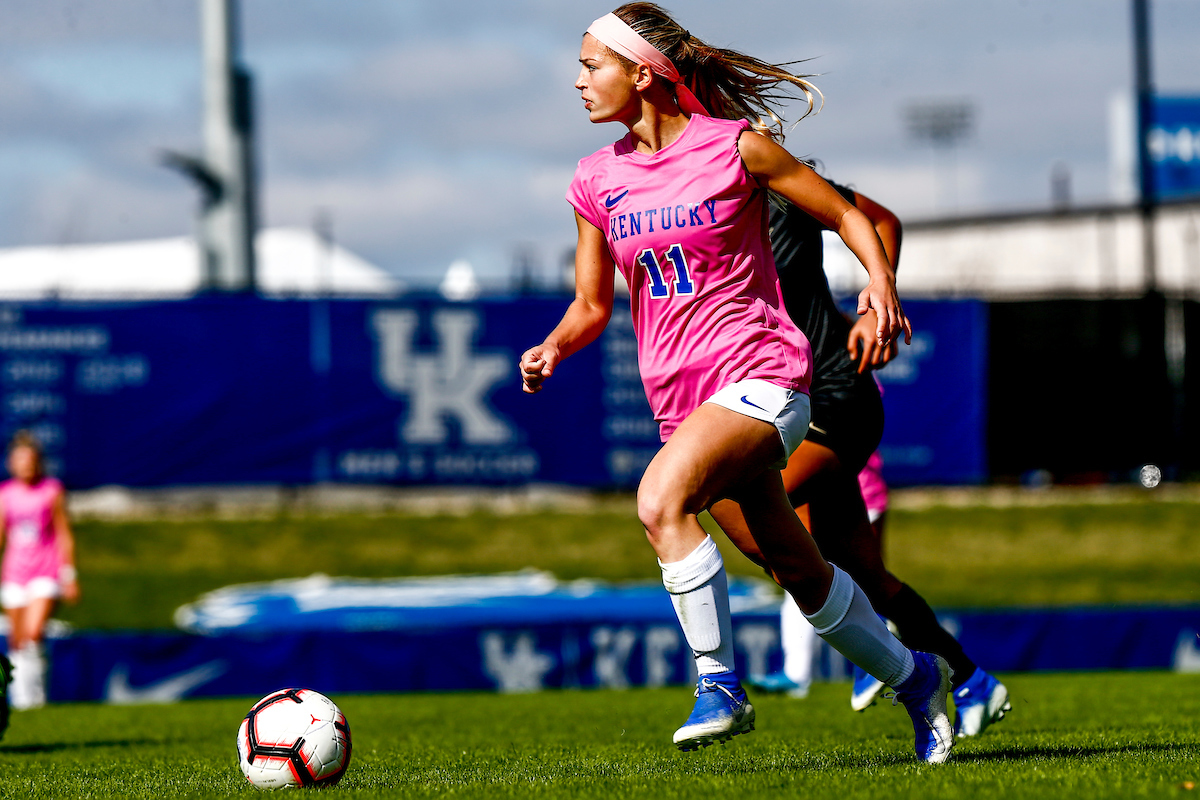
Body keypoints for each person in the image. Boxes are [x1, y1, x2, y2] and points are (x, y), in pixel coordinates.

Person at [521, 3, 953, 763]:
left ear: (643, 73)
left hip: (765, 380)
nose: (579, 82)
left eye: (592, 65)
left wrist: (880, 284)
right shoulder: (595, 179)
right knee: (802, 573)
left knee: (660, 500)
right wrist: (554, 345)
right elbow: (591, 305)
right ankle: (915, 676)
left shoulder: (735, 148)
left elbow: (850, 217)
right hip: (683, 407)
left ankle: (719, 681)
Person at [720, 185, 1010, 737]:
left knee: (742, 507)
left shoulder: (778, 181)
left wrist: (879, 304)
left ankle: (890, 666)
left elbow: (881, 219)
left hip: (834, 398)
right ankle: (972, 682)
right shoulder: (691, 204)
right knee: (865, 576)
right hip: (787, 402)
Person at [0, 432, 79, 710]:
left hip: (45, 571)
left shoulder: (51, 490)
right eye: (20, 461)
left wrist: (69, 575)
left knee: (34, 634)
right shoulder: (5, 494)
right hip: (14, 574)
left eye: (30, 461)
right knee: (17, 639)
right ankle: (20, 699)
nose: (25, 466)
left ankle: (36, 699)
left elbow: (63, 533)